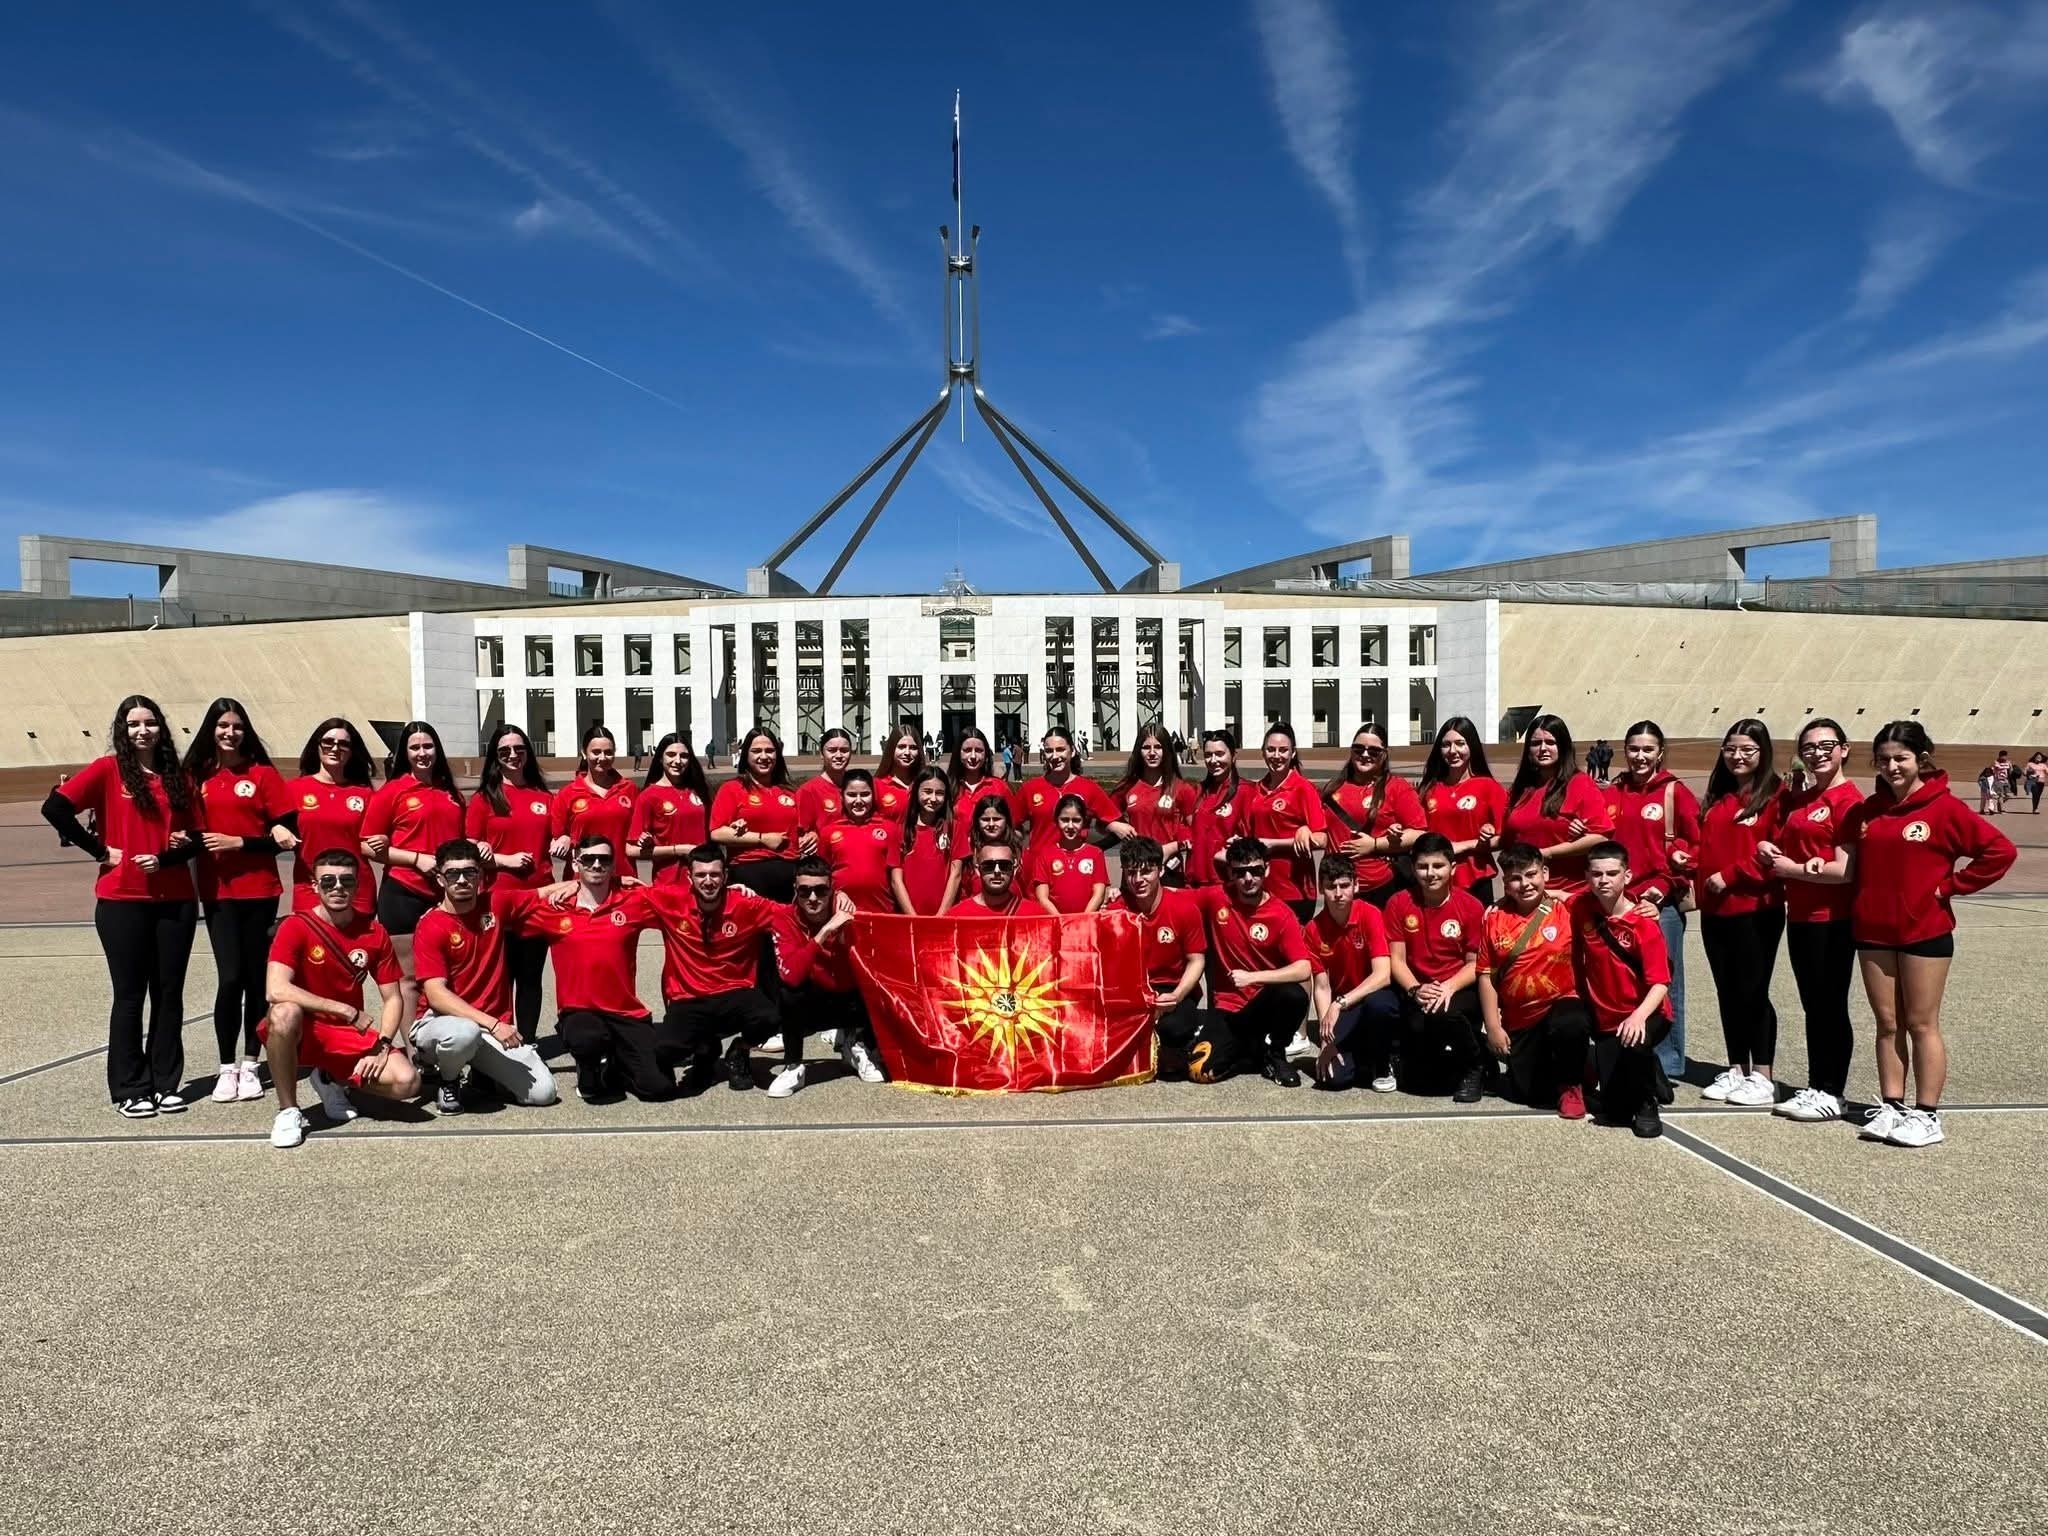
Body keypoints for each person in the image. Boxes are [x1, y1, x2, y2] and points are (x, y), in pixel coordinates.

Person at [1807, 723, 2014, 1147]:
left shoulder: (1944, 808)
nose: (1891, 767)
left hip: (1924, 931)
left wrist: (1950, 887)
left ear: (1920, 759)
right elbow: (1846, 862)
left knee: (1921, 1024)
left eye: (1900, 758)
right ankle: (1892, 1106)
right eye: (1883, 759)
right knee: (1887, 1024)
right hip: (1873, 932)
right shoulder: (1866, 812)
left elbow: (1999, 851)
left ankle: (1927, 1115)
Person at [42, 694, 202, 1118]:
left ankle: (165, 1082)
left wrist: (173, 851)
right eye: (133, 724)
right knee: (130, 996)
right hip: (123, 899)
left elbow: (196, 838)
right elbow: (55, 808)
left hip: (175, 900)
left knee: (169, 994)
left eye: (149, 723)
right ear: (122, 731)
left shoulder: (179, 777)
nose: (142, 731)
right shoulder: (108, 770)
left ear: (161, 728)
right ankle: (131, 1087)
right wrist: (99, 850)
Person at [260, 848, 419, 1149]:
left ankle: (331, 1079)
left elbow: (393, 998)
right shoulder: (296, 926)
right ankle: (288, 1111)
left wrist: (383, 1045)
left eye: (346, 881)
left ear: (357, 886)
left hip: (344, 1033)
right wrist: (344, 1009)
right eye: (328, 881)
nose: (337, 887)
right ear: (315, 885)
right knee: (283, 1012)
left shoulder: (374, 932)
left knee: (407, 1082)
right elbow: (275, 989)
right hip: (304, 1028)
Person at [184, 697, 296, 1105]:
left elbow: (286, 834)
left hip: (260, 890)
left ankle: (251, 1063)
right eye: (222, 726)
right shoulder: (195, 776)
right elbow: (184, 828)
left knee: (255, 979)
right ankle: (226, 1066)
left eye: (237, 727)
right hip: (219, 893)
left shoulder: (262, 774)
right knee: (229, 978)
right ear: (210, 730)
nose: (230, 733)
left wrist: (241, 842)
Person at [1754, 718, 1865, 1123]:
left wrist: (1792, 869)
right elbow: (1790, 844)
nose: (1817, 753)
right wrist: (1768, 848)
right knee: (1813, 1004)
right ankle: (1817, 1084)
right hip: (1801, 915)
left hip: (1831, 918)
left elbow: (1845, 870)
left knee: (1829, 1004)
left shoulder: (1848, 801)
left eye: (1826, 745)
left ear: (1844, 749)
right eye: (1809, 747)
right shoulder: (1804, 798)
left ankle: (1832, 1090)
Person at [505, 834, 670, 1103]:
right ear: (576, 862)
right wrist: (565, 885)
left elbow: (682, 902)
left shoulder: (633, 901)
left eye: (604, 860)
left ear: (613, 864)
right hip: (579, 1012)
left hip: (625, 1011)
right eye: (588, 859)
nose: (596, 865)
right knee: (587, 1041)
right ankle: (589, 1066)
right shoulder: (555, 907)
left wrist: (734, 891)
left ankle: (616, 1064)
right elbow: (503, 904)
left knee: (658, 1088)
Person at [409, 839, 558, 1112]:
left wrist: (613, 884)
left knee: (544, 1093)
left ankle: (480, 1068)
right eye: (453, 874)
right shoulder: (430, 925)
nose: (462, 880)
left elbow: (544, 893)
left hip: (489, 1029)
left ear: (480, 876)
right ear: (440, 879)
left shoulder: (495, 903)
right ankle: (447, 1078)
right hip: (443, 1022)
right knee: (463, 1034)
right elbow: (436, 995)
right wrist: (494, 1024)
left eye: (469, 872)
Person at [1601, 720, 1701, 1091]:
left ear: (1660, 753)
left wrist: (1666, 883)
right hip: (1618, 903)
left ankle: (1668, 1062)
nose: (1640, 756)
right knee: (1623, 981)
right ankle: (1628, 1053)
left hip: (1660, 904)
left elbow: (1696, 845)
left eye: (1647, 749)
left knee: (1665, 981)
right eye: (1634, 749)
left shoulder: (1674, 792)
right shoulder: (1614, 792)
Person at [638, 843, 783, 1093]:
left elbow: (794, 915)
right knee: (665, 1051)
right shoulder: (670, 900)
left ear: (725, 876)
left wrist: (837, 900)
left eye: (715, 874)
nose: (708, 881)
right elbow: (620, 896)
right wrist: (577, 885)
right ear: (689, 877)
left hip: (734, 992)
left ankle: (740, 1051)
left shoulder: (746, 904)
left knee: (769, 1018)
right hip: (689, 997)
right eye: (701, 875)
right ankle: (705, 1050)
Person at [1695, 719, 1785, 1109]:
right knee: (1727, 990)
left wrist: (1731, 875)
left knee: (1753, 990)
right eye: (1731, 749)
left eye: (1747, 749)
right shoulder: (1719, 795)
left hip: (1755, 909)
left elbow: (1776, 851)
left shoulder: (1776, 795)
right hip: (1715, 909)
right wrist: (1688, 861)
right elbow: (1705, 845)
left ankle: (1763, 1073)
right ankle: (1737, 1066)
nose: (1738, 756)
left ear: (1763, 752)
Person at [360, 719, 465, 1019]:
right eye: (415, 747)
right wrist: (416, 859)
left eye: (428, 746)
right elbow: (366, 845)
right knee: (409, 980)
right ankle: (413, 1046)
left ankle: (443, 1041)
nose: (422, 753)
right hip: (404, 892)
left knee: (447, 975)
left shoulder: (451, 793)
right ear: (404, 753)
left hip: (447, 895)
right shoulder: (392, 791)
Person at [1188, 837, 1313, 1087]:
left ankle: (1275, 1053)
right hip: (1227, 1007)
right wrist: (1120, 895)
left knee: (1294, 994)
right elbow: (1170, 898)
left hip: (1263, 1005)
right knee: (1200, 1072)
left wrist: (1253, 977)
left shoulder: (1281, 914)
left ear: (1266, 869)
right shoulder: (1216, 897)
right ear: (1230, 873)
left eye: (1255, 870)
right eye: (1240, 872)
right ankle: (1251, 1050)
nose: (1248, 878)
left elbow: (1304, 968)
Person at [1477, 843, 1591, 1118]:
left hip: (1561, 1004)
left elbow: (1607, 897)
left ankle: (1572, 1085)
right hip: (1521, 1019)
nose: (1525, 884)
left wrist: (1645, 905)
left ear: (1545, 873)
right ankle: (1587, 1066)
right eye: (1515, 878)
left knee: (1572, 1022)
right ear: (1505, 883)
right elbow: (1486, 974)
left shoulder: (1568, 909)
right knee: (1530, 1095)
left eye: (1531, 874)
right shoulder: (1494, 918)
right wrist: (1493, 1026)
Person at [1571, 842, 1674, 1139]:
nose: (1603, 880)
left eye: (1612, 873)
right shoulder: (1582, 907)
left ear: (1627, 876)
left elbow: (1660, 983)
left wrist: (1638, 1017)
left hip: (1646, 1012)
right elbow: (1553, 896)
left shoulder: (1643, 923)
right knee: (1614, 1111)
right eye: (1596, 874)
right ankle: (1650, 1073)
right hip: (1606, 1018)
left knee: (1635, 1042)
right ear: (1587, 877)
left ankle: (1647, 1103)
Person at [764, 856, 884, 1097]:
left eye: (821, 890)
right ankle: (793, 1066)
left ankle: (856, 1044)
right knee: (789, 993)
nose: (813, 897)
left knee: (876, 986)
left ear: (832, 890)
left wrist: (843, 926)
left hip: (848, 997)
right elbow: (792, 976)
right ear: (795, 890)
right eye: (805, 891)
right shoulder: (783, 919)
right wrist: (826, 931)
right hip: (812, 1001)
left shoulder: (849, 914)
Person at [466, 722, 554, 1044]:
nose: (513, 755)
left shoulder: (544, 797)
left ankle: (528, 1042)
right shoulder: (484, 799)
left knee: (530, 978)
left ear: (528, 752)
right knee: (500, 978)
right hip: (496, 898)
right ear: (495, 756)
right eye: (504, 751)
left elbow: (561, 836)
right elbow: (469, 849)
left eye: (519, 749)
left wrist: (564, 839)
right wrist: (503, 859)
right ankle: (501, 1041)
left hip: (537, 898)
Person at [1384, 833, 1488, 1101]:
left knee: (1444, 1013)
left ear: (1452, 868)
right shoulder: (1398, 903)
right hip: (1418, 988)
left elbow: (1474, 963)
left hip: (1458, 988)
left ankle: (1475, 1065)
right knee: (1419, 1083)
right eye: (1423, 867)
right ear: (1413, 868)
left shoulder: (1471, 906)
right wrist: (1415, 989)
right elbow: (1397, 959)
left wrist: (1448, 988)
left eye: (1438, 866)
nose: (1430, 874)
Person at [1104, 837, 1206, 1076]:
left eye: (1146, 871)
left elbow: (1197, 960)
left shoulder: (1184, 908)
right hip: (1132, 990)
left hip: (1171, 988)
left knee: (1176, 1031)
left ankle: (1172, 1045)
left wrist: (1177, 996)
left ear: (1160, 870)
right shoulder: (1115, 912)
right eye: (1131, 872)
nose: (1138, 879)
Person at [1302, 853, 1398, 1092]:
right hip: (1346, 1008)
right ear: (1321, 889)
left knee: (1379, 1005)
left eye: (1344, 885)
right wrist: (1325, 1036)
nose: (1338, 893)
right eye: (1330, 887)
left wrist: (1340, 1003)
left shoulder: (1370, 914)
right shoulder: (1313, 929)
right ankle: (1361, 1057)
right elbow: (1321, 986)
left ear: (1356, 885)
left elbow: (1383, 975)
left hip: (1372, 996)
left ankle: (1383, 1063)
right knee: (1333, 1079)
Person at [1503, 714, 1612, 894]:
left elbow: (1601, 836)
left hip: (1567, 893)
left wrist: (1546, 853)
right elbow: (1508, 840)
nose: (1543, 749)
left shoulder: (1580, 783)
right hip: (1525, 892)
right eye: (1536, 743)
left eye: (1550, 742)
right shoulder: (1520, 788)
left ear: (1563, 746)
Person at [1324, 720, 1424, 907]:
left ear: (1384, 754)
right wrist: (1304, 830)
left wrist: (1375, 844)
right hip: (1338, 886)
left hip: (1380, 886)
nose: (1365, 754)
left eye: (1373, 751)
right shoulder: (1333, 787)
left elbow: (1419, 834)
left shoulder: (1397, 787)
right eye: (1358, 749)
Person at [285, 718, 379, 917]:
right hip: (310, 886)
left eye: (343, 744)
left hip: (356, 889)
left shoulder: (365, 794)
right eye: (328, 742)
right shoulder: (293, 789)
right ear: (317, 746)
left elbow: (375, 842)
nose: (335, 748)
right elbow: (270, 825)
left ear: (352, 751)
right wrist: (276, 828)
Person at [1417, 716, 1508, 905]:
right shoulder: (1428, 789)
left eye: (1460, 743)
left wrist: (1467, 845)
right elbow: (1417, 832)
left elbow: (1505, 838)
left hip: (1475, 878)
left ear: (1471, 746)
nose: (1453, 751)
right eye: (1446, 745)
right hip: (1434, 878)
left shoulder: (1489, 787)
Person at [711, 726, 802, 904]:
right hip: (748, 873)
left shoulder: (790, 792)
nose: (764, 756)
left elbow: (803, 828)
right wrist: (762, 839)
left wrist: (810, 836)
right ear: (746, 755)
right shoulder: (732, 789)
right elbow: (717, 832)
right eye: (756, 751)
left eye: (770, 751)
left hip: (790, 875)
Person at [1247, 722, 1328, 921]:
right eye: (1271, 750)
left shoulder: (1303, 788)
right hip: (1259, 886)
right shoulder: (1256, 789)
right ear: (1263, 752)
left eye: (1283, 750)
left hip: (1294, 891)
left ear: (1293, 753)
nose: (1277, 756)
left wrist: (1275, 844)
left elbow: (1321, 839)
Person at [1015, 727, 1131, 852]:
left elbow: (1118, 825)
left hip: (1075, 863)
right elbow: (1010, 825)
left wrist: (1094, 851)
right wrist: (1018, 851)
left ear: (1073, 751)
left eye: (1060, 750)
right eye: (1049, 751)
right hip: (1038, 863)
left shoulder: (1089, 789)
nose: (1054, 756)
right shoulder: (1030, 788)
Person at [548, 723, 638, 877]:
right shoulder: (567, 794)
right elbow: (558, 838)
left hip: (623, 877)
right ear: (584, 753)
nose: (602, 758)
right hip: (582, 880)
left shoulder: (629, 789)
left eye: (608, 752)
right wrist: (565, 840)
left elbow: (639, 832)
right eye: (596, 752)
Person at [1112, 723, 1196, 882]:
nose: (1152, 753)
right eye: (1146, 747)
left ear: (1167, 751)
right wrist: (1115, 826)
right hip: (1135, 870)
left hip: (1169, 870)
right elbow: (1103, 817)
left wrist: (1171, 848)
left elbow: (1196, 831)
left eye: (1158, 747)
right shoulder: (1127, 787)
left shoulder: (1182, 789)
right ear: (1138, 751)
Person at [630, 731, 713, 886]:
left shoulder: (699, 790)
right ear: (660, 758)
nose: (678, 761)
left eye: (684, 756)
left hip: (705, 882)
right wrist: (678, 850)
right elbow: (631, 849)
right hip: (669, 882)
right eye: (671, 755)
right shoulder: (648, 796)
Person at [819, 768, 899, 913]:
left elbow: (896, 877)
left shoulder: (889, 828)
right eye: (851, 795)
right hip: (841, 912)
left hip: (882, 910)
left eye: (865, 794)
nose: (858, 801)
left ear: (873, 795)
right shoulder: (827, 832)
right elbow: (822, 876)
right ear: (842, 796)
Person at [1029, 793, 1111, 915]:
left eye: (1076, 820)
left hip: (1086, 921)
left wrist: (1082, 920)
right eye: (1065, 820)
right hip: (1056, 922)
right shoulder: (1045, 855)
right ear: (1056, 820)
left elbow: (1098, 894)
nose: (1070, 826)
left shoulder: (1095, 853)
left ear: (1084, 821)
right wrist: (1061, 921)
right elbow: (1042, 898)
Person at [1188, 729, 1250, 888]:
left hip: (1226, 882)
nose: (1213, 760)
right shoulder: (1198, 791)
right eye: (1208, 755)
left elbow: (1253, 835)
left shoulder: (1246, 791)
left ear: (1233, 755)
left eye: (1220, 754)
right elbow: (1186, 826)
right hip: (1194, 882)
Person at [891, 766, 957, 915]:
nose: (933, 799)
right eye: (927, 791)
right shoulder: (901, 830)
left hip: (944, 916)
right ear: (916, 792)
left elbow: (956, 874)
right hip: (909, 916)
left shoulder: (954, 827)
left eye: (939, 793)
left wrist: (941, 916)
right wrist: (913, 918)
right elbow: (896, 879)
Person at [953, 793, 1024, 904]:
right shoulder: (969, 848)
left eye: (997, 819)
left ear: (1006, 820)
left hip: (1011, 909)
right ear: (977, 821)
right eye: (985, 819)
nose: (991, 824)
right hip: (976, 910)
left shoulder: (1016, 847)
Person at [797, 727, 856, 842]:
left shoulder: (860, 786)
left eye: (844, 750)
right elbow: (801, 833)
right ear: (821, 753)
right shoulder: (808, 791)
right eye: (832, 750)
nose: (839, 755)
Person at [947, 840, 1028, 916]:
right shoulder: (957, 915)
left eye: (1004, 865)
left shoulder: (1032, 914)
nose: (997, 871)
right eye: (989, 866)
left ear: (1014, 869)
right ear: (978, 870)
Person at [876, 725, 927, 823]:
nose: (907, 752)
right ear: (892, 749)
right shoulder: (877, 786)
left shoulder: (925, 784)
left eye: (913, 748)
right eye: (901, 747)